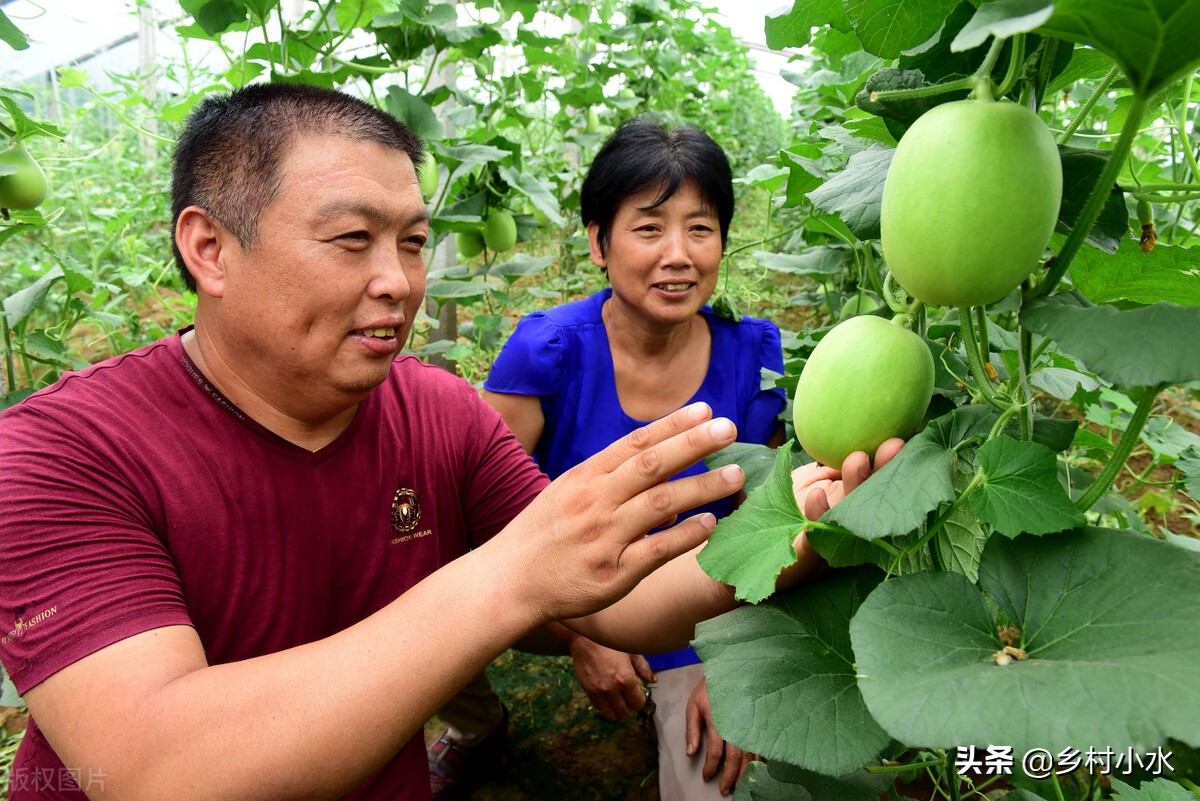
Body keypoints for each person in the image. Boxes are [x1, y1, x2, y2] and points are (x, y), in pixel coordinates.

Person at [0, 83, 899, 801]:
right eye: (353, 239)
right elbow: (159, 768)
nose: (397, 281)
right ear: (209, 249)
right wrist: (510, 573)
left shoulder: (440, 413)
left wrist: (806, 533)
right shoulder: (61, 453)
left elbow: (620, 600)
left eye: (415, 242)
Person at [429, 118, 785, 801]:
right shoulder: (549, 351)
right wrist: (579, 635)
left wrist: (742, 661)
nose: (678, 254)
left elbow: (768, 523)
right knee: (419, 571)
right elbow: (470, 513)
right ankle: (477, 726)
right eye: (649, 228)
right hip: (558, 594)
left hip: (697, 615)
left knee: (717, 780)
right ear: (598, 241)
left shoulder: (755, 353)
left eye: (701, 228)